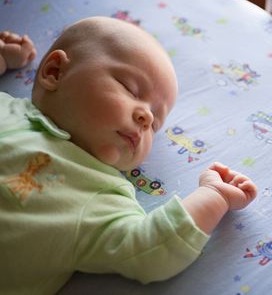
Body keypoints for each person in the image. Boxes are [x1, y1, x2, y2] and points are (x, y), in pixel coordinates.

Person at [0, 17, 257, 295]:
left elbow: (151, 250)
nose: (146, 118)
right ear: (55, 72)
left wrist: (214, 195)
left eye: (156, 124)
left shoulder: (102, 193)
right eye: (130, 89)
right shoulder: (8, 110)